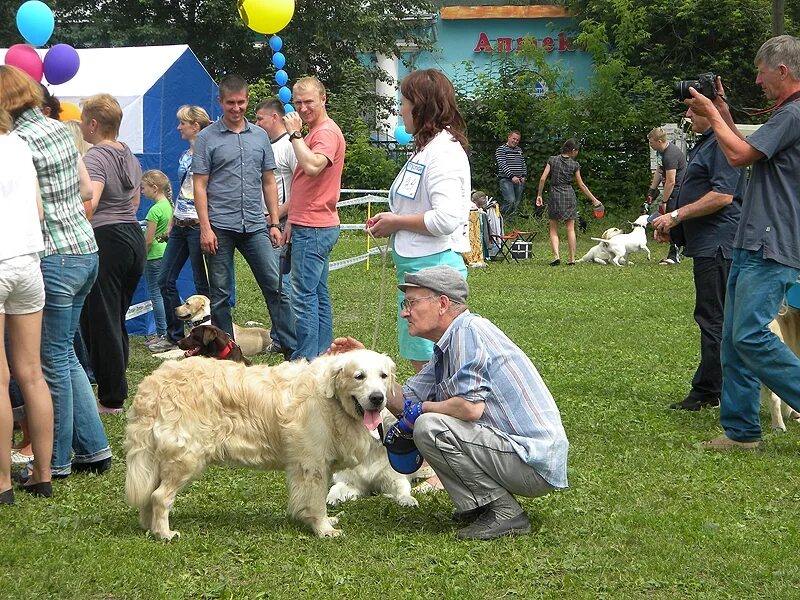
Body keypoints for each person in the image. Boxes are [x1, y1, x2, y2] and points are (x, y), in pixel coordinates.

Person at [329, 265, 568, 540]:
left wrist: (422, 410)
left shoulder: (467, 333)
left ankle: (504, 512)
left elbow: (469, 408)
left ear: (442, 303)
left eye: (411, 303)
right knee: (421, 420)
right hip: (521, 456)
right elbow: (403, 402)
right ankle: (481, 506)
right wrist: (367, 361)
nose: (405, 312)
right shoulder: (450, 342)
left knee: (430, 426)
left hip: (531, 462)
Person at [684, 35, 800, 450]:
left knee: (750, 335)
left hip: (771, 243)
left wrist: (713, 114)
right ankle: (742, 432)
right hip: (751, 241)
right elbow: (747, 147)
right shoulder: (786, 114)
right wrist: (725, 112)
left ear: (782, 71)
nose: (757, 80)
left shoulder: (794, 114)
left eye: (762, 72)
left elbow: (735, 157)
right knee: (734, 339)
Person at [0, 65, 110, 478]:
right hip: (85, 248)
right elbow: (84, 190)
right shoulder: (60, 130)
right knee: (64, 356)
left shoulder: (18, 140)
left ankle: (57, 461)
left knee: (47, 365)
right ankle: (95, 448)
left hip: (52, 255)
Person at [366, 68, 470, 374]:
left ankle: (436, 418)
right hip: (418, 269)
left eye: (404, 102)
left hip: (433, 269)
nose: (400, 110)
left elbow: (446, 219)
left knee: (435, 365)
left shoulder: (443, 154)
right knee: (423, 360)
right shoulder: (428, 149)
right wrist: (391, 221)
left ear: (421, 106)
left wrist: (396, 222)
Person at [193, 75, 296, 360]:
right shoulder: (206, 138)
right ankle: (227, 357)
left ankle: (293, 351)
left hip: (255, 225)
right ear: (220, 102)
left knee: (275, 288)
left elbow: (269, 181)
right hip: (219, 227)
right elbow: (199, 186)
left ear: (247, 101)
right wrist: (205, 228)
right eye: (230, 103)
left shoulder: (260, 136)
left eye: (241, 103)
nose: (236, 108)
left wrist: (275, 222)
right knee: (222, 296)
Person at [651, 106, 745, 411]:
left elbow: (722, 196)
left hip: (719, 246)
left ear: (711, 112)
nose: (689, 115)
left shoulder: (720, 142)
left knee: (713, 318)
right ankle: (709, 388)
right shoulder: (708, 142)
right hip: (707, 243)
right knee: (712, 317)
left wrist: (677, 215)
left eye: (695, 110)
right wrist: (676, 229)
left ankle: (710, 391)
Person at [80, 93, 147, 415]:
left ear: (93, 123)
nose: (81, 124)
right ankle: (114, 387)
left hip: (107, 238)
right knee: (114, 317)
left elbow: (89, 203)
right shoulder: (128, 155)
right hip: (132, 237)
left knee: (103, 319)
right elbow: (134, 204)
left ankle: (111, 399)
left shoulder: (95, 157)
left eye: (82, 119)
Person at [0, 107, 53, 502]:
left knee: (0, 379)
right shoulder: (21, 144)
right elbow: (37, 210)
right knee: (32, 373)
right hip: (28, 263)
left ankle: (2, 482)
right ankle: (42, 473)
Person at [281, 76, 345, 360]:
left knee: (303, 296)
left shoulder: (325, 133)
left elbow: (312, 167)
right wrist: (289, 218)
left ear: (323, 99)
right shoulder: (316, 132)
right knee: (317, 293)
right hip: (311, 222)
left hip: (315, 226)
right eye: (297, 103)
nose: (303, 108)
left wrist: (294, 134)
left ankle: (304, 360)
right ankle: (322, 355)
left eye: (309, 101)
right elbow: (306, 186)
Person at [154, 105, 212, 352]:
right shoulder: (185, 155)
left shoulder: (209, 153)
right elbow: (183, 191)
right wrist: (170, 222)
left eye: (182, 123)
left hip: (198, 225)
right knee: (164, 279)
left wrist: (207, 225)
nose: (178, 127)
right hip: (180, 224)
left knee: (202, 284)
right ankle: (174, 335)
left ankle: (205, 334)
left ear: (195, 126)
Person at [255, 98, 298, 355]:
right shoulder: (266, 146)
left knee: (281, 283)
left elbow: (300, 190)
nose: (257, 123)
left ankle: (288, 338)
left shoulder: (290, 147)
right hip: (267, 221)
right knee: (273, 282)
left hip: (280, 222)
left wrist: (275, 216)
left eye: (260, 118)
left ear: (275, 117)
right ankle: (279, 334)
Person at [535, 139, 603, 266]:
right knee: (570, 228)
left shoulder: (552, 160)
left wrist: (539, 194)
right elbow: (581, 185)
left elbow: (543, 178)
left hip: (555, 194)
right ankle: (571, 259)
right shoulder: (575, 165)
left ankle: (556, 256)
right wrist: (594, 200)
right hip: (568, 194)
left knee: (553, 228)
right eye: (577, 151)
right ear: (573, 150)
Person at [140, 170, 173, 343]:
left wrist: (141, 257)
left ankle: (162, 333)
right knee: (166, 291)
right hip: (166, 253)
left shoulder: (154, 211)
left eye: (143, 188)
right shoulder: (168, 206)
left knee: (156, 294)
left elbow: (148, 240)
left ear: (154, 188)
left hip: (153, 257)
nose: (141, 191)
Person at [646, 127, 687, 265]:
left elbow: (671, 181)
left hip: (678, 191)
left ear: (659, 141)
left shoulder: (670, 155)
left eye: (651, 143)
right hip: (670, 191)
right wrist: (652, 190)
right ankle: (676, 252)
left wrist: (664, 201)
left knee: (673, 222)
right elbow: (659, 171)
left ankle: (674, 256)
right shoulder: (661, 153)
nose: (650, 145)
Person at [495, 130, 527, 218]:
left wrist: (524, 175)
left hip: (519, 180)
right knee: (510, 200)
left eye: (517, 140)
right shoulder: (501, 149)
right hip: (506, 179)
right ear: (509, 137)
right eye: (514, 139)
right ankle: (501, 218)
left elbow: (523, 163)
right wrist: (512, 176)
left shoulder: (519, 150)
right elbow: (502, 164)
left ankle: (512, 221)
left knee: (516, 203)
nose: (515, 141)